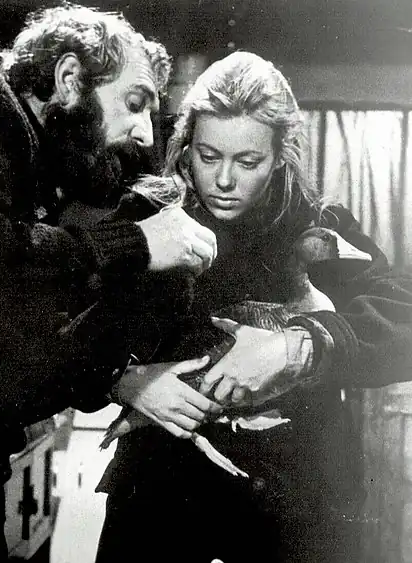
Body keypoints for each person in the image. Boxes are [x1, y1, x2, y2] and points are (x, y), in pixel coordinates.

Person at [0, 4, 221, 561]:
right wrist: (136, 244)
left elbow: (10, 355)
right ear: (70, 79)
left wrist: (123, 377)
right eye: (135, 103)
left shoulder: (37, 179)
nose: (144, 134)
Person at [95, 51, 412, 563]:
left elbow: (404, 309)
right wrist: (124, 380)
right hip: (161, 486)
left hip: (296, 494)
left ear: (280, 156)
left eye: (248, 163)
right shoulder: (146, 216)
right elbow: (62, 325)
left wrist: (300, 346)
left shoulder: (316, 224)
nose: (224, 180)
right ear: (185, 145)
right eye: (208, 155)